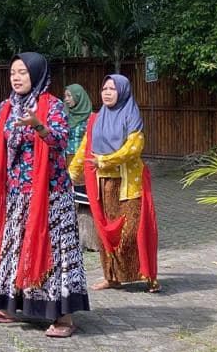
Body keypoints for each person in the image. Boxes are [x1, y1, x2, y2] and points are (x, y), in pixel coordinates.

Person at [0, 53, 88, 338]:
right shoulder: (6, 107)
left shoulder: (53, 106)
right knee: (13, 250)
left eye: (22, 72)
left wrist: (38, 125)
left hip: (51, 194)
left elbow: (60, 141)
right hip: (16, 195)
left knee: (55, 251)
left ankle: (63, 316)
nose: (16, 77)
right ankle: (7, 308)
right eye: (13, 72)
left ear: (36, 74)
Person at [68, 74, 159, 292]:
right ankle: (112, 277)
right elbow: (85, 149)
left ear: (123, 91)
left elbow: (133, 148)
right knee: (105, 233)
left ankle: (148, 276)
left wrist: (105, 160)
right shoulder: (96, 119)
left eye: (112, 88)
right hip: (103, 186)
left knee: (132, 232)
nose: (107, 92)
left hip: (129, 185)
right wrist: (70, 174)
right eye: (104, 88)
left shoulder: (132, 116)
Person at [63, 84, 99, 253]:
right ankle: (70, 235)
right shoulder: (65, 115)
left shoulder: (90, 118)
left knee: (84, 199)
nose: (66, 99)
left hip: (83, 161)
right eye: (66, 96)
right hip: (66, 159)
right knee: (69, 197)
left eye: (69, 96)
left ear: (78, 97)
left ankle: (89, 238)